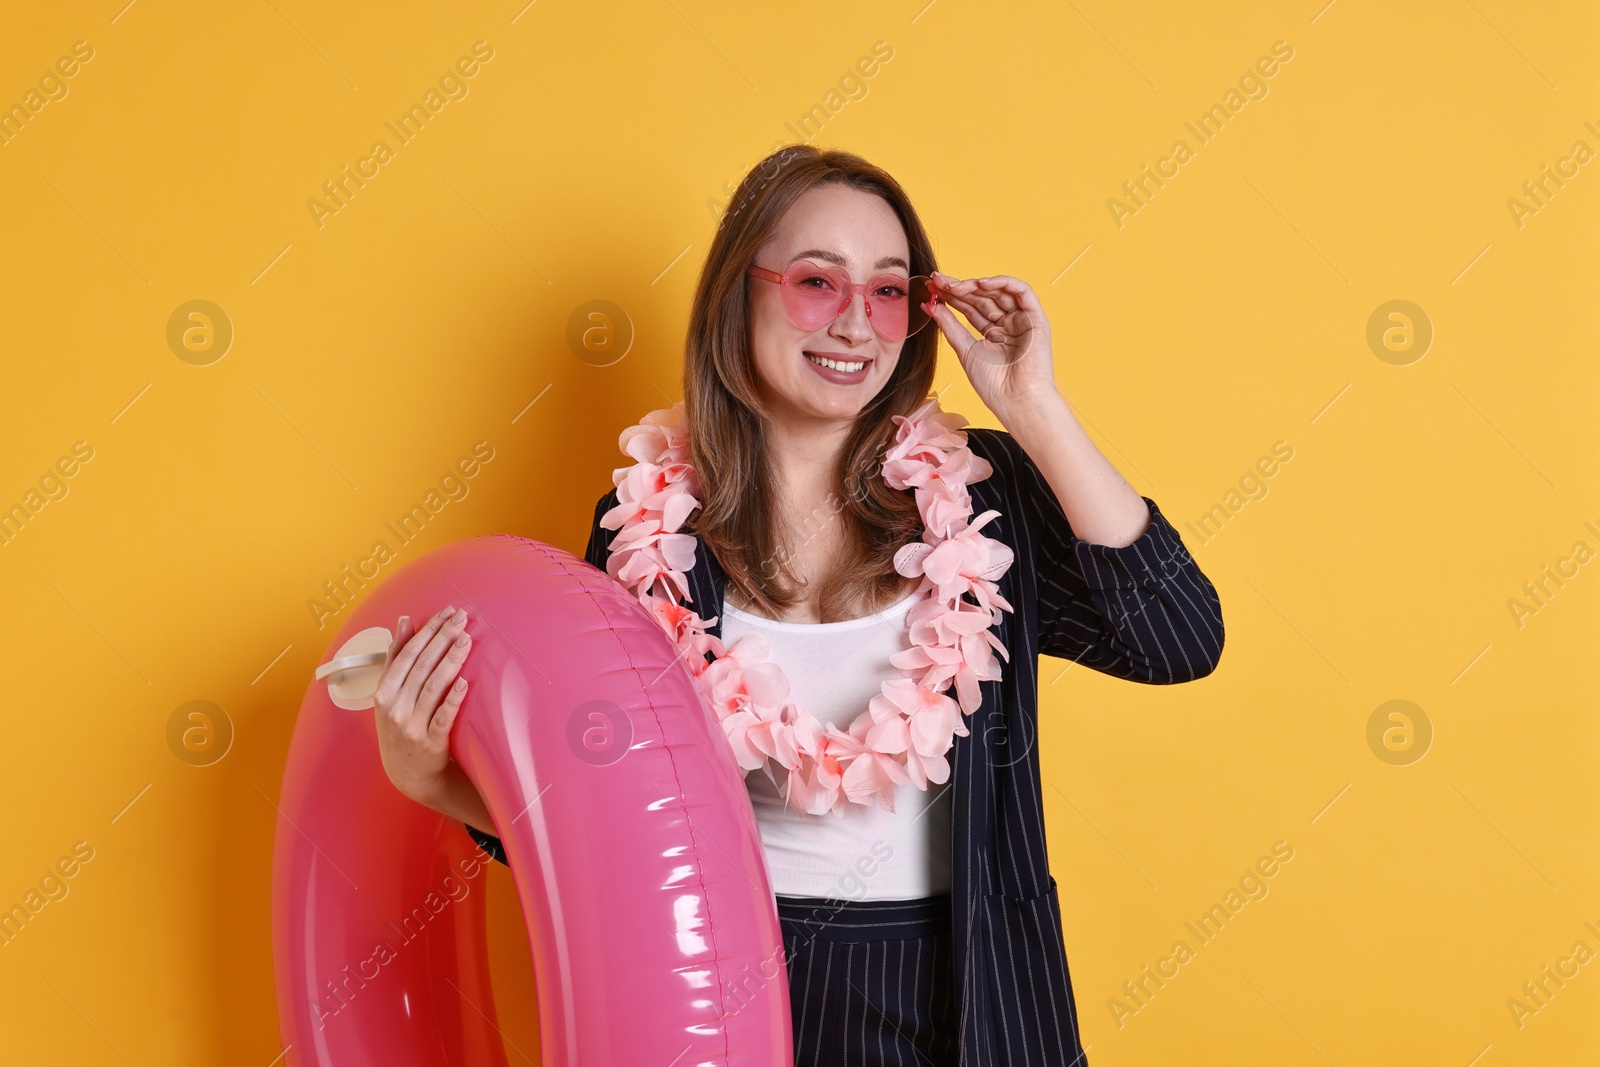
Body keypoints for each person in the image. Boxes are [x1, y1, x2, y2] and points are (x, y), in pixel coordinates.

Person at [370, 144, 1225, 1067]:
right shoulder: (644, 529)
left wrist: (1034, 407)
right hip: (726, 986)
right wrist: (433, 780)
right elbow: (596, 819)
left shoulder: (987, 494)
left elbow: (1177, 639)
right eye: (818, 280)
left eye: (890, 289)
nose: (856, 323)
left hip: (973, 999)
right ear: (740, 293)